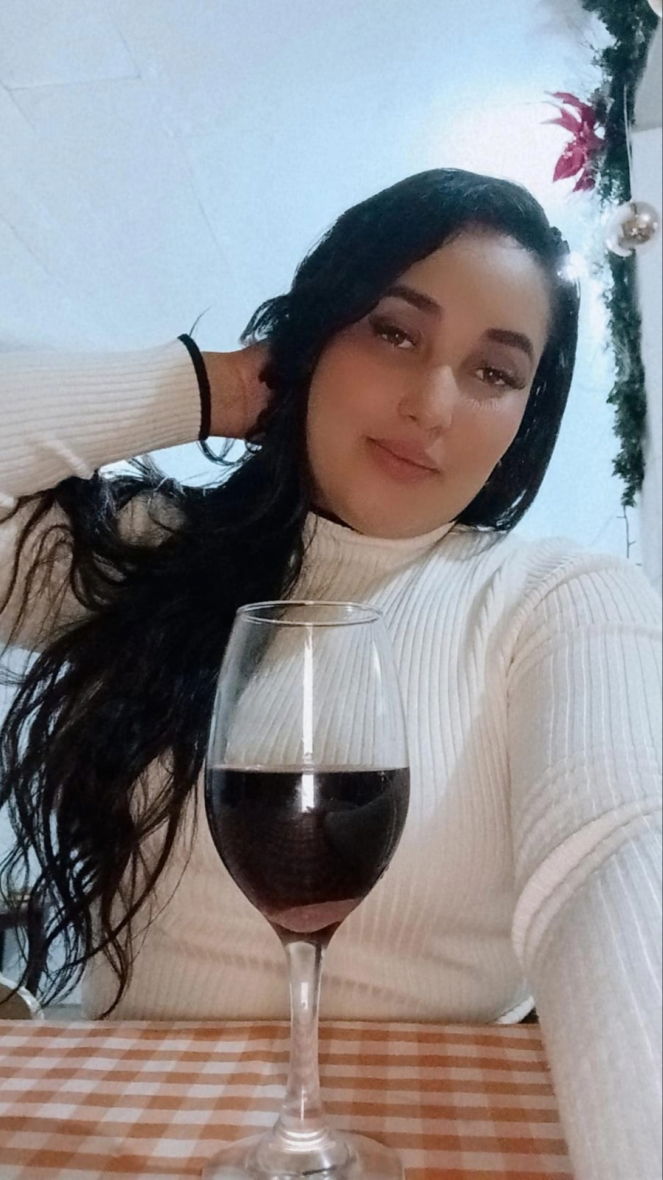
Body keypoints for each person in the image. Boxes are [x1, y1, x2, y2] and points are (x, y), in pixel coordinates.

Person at [0, 168, 661, 1179]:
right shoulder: (148, 556)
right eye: (393, 333)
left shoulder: (559, 599)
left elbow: (612, 849)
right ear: (316, 338)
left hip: (424, 1135)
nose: (431, 405)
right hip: (138, 1130)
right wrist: (223, 385)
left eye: (493, 373)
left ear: (526, 416)